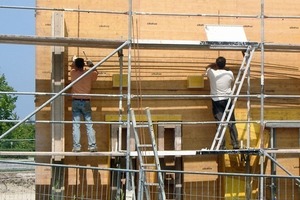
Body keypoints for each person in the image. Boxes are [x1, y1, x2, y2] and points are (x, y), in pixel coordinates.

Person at [205, 56, 239, 149]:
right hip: (227, 100)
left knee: (220, 122)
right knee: (231, 122)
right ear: (225, 64)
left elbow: (207, 67)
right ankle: (235, 143)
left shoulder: (212, 73)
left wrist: (213, 65)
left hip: (216, 100)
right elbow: (229, 71)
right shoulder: (229, 73)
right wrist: (224, 67)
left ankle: (222, 145)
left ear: (216, 64)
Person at [70, 57, 98, 152]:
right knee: (89, 124)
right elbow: (96, 72)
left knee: (76, 125)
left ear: (76, 65)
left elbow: (72, 66)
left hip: (75, 101)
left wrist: (73, 60)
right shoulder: (89, 73)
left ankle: (77, 147)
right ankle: (92, 146)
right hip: (86, 101)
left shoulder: (73, 73)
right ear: (83, 65)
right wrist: (91, 64)